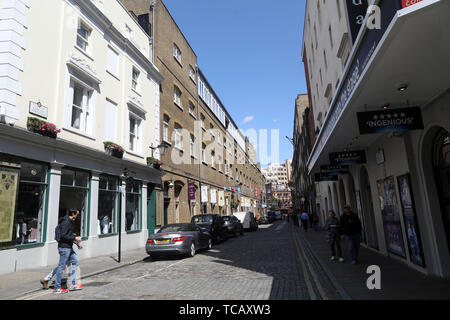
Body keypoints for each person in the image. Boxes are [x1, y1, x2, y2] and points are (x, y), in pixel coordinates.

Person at [53, 209, 84, 294]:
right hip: (64, 248)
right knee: (61, 267)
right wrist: (75, 238)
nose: (77, 216)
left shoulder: (69, 221)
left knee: (75, 261)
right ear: (73, 214)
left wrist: (77, 244)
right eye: (77, 214)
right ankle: (57, 288)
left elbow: (68, 235)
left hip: (69, 247)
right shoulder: (66, 222)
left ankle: (72, 284)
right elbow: (63, 235)